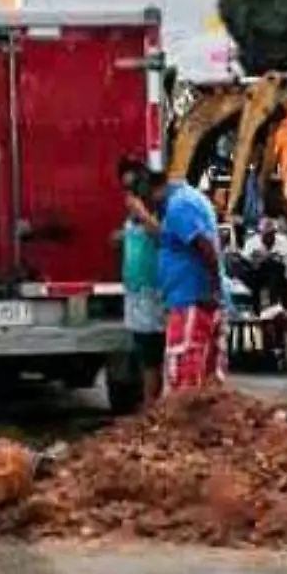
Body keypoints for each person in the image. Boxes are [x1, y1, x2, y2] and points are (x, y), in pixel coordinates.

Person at [148, 170, 226, 393]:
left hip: (190, 298)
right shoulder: (189, 198)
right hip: (196, 297)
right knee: (206, 376)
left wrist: (212, 289)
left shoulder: (178, 206)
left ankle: (182, 424)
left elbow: (205, 247)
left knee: (183, 374)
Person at [118, 159, 166, 405]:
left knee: (152, 356)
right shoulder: (131, 222)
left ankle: (152, 404)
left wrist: (142, 214)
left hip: (152, 295)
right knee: (143, 354)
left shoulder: (155, 216)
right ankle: (150, 402)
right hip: (135, 295)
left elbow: (163, 237)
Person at [239, 217, 287, 312]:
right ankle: (259, 309)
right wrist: (257, 261)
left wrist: (271, 257)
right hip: (257, 275)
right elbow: (245, 262)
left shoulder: (283, 240)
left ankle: (280, 307)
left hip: (279, 274)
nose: (269, 236)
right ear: (260, 233)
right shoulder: (251, 243)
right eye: (266, 234)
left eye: (272, 233)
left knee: (276, 272)